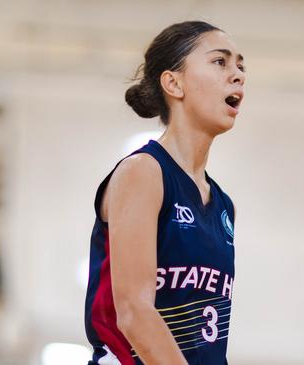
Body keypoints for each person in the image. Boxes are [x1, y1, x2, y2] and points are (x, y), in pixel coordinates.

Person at [84, 20, 245, 365]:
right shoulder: (143, 172)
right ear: (173, 82)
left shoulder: (223, 206)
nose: (237, 74)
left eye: (240, 65)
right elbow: (133, 313)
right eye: (220, 62)